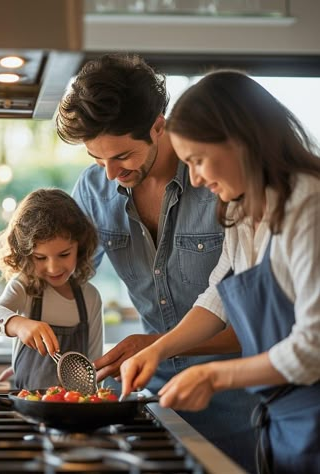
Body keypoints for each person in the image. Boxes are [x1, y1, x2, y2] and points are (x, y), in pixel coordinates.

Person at [56, 53, 259, 471]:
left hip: (239, 403)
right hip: (149, 397)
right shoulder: (94, 189)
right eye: (97, 159)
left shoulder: (220, 182)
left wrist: (156, 345)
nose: (110, 173)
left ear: (158, 126)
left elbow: (251, 319)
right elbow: (61, 278)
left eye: (123, 156)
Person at [120, 70, 320, 474]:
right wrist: (158, 349)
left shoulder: (309, 206)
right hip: (284, 422)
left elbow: (313, 347)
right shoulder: (242, 210)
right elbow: (217, 296)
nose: (194, 178)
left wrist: (214, 376)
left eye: (197, 160)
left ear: (240, 141)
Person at [0, 188, 104, 390]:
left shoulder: (89, 297)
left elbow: (95, 366)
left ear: (80, 247)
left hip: (76, 409)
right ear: (25, 254)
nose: (53, 267)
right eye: (41, 258)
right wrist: (19, 325)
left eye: (64, 255)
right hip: (28, 407)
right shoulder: (25, 286)